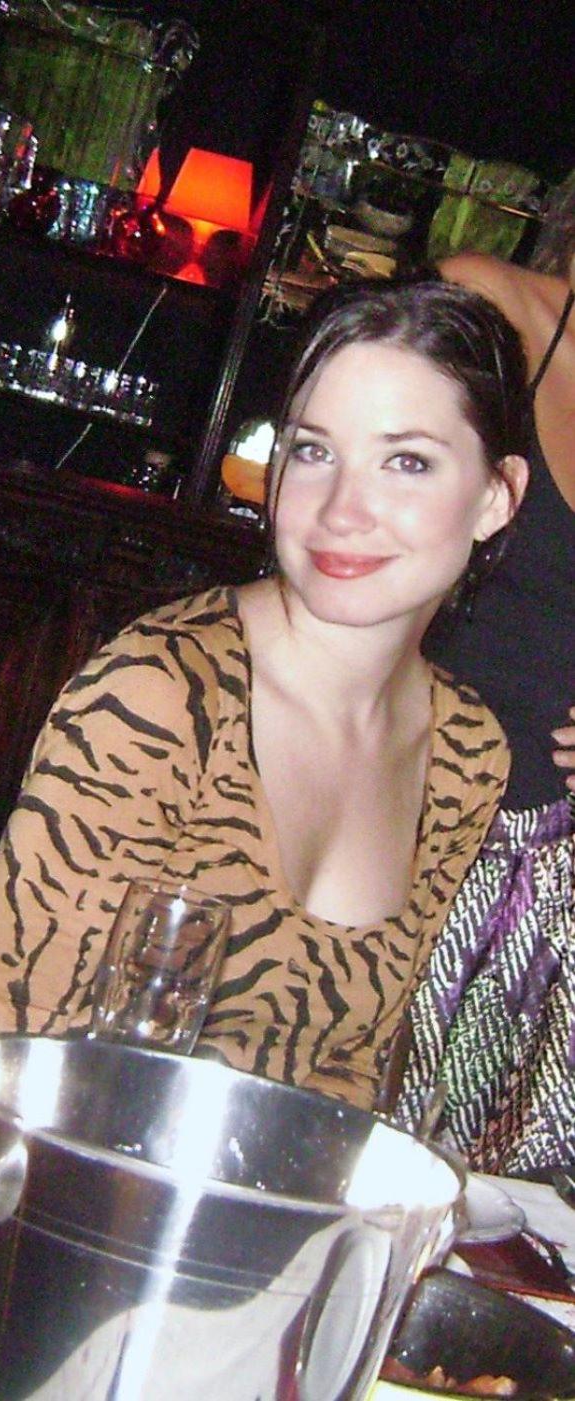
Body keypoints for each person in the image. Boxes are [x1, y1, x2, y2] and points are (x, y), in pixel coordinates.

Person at [0, 279, 529, 1115]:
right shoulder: (160, 697)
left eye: (405, 461)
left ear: (496, 497)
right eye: (312, 451)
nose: (341, 509)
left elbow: (350, 1075)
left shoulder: (465, 750)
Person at [392, 176, 575, 1172]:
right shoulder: (488, 303)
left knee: (491, 1194)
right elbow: (355, 511)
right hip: (418, 809)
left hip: (556, 876)